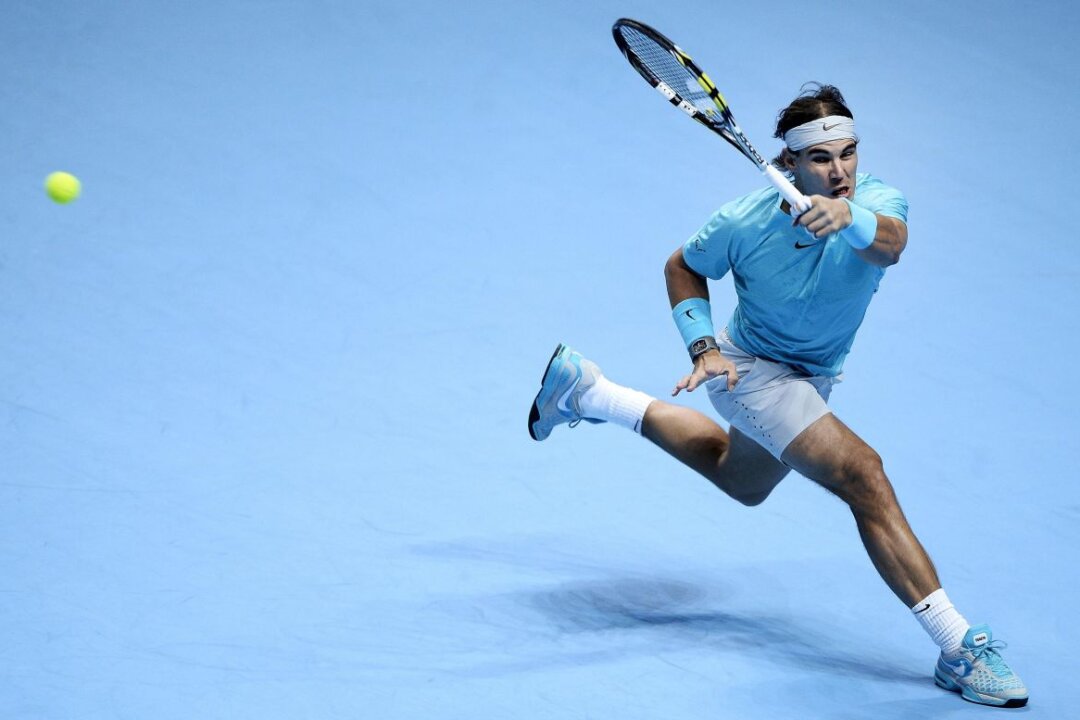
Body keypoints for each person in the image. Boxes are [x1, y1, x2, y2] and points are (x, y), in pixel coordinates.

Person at [527, 84, 1028, 708]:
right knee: (863, 474)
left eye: (848, 153)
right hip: (749, 371)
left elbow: (891, 244)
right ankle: (959, 650)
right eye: (821, 158)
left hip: (812, 376)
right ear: (789, 162)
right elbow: (682, 266)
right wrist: (702, 347)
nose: (840, 171)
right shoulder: (743, 221)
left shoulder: (877, 201)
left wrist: (848, 218)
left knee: (741, 481)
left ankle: (591, 392)